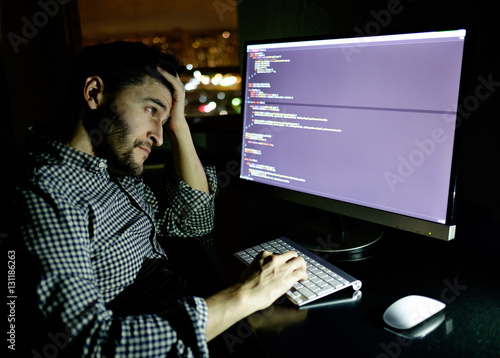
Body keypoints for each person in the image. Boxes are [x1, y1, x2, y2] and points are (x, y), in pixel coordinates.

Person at [14, 41, 307, 357]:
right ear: (94, 93)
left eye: (165, 119)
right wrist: (245, 296)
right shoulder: (45, 191)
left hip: (181, 308)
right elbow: (89, 342)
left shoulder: (112, 166)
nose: (159, 135)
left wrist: (178, 122)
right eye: (151, 109)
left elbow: (195, 222)